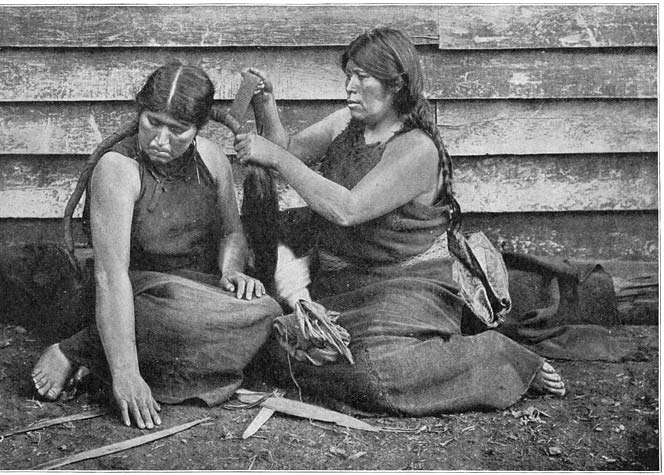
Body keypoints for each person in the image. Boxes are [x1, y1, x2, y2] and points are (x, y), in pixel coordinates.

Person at [233, 27, 565, 416]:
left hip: (406, 285)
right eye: (349, 74)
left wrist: (274, 157)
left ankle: (498, 357)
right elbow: (289, 149)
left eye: (363, 77)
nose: (350, 87)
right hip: (341, 280)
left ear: (396, 85)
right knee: (286, 346)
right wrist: (265, 103)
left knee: (377, 371)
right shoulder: (348, 122)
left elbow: (348, 208)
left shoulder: (417, 148)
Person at [32, 62, 281, 429]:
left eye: (178, 130)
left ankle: (95, 354)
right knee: (177, 321)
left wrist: (231, 270)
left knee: (267, 310)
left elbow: (231, 232)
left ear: (198, 129)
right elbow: (110, 277)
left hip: (197, 292)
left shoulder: (212, 159)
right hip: (135, 295)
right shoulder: (118, 169)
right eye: (152, 123)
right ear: (140, 112)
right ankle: (76, 349)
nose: (161, 141)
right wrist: (127, 375)